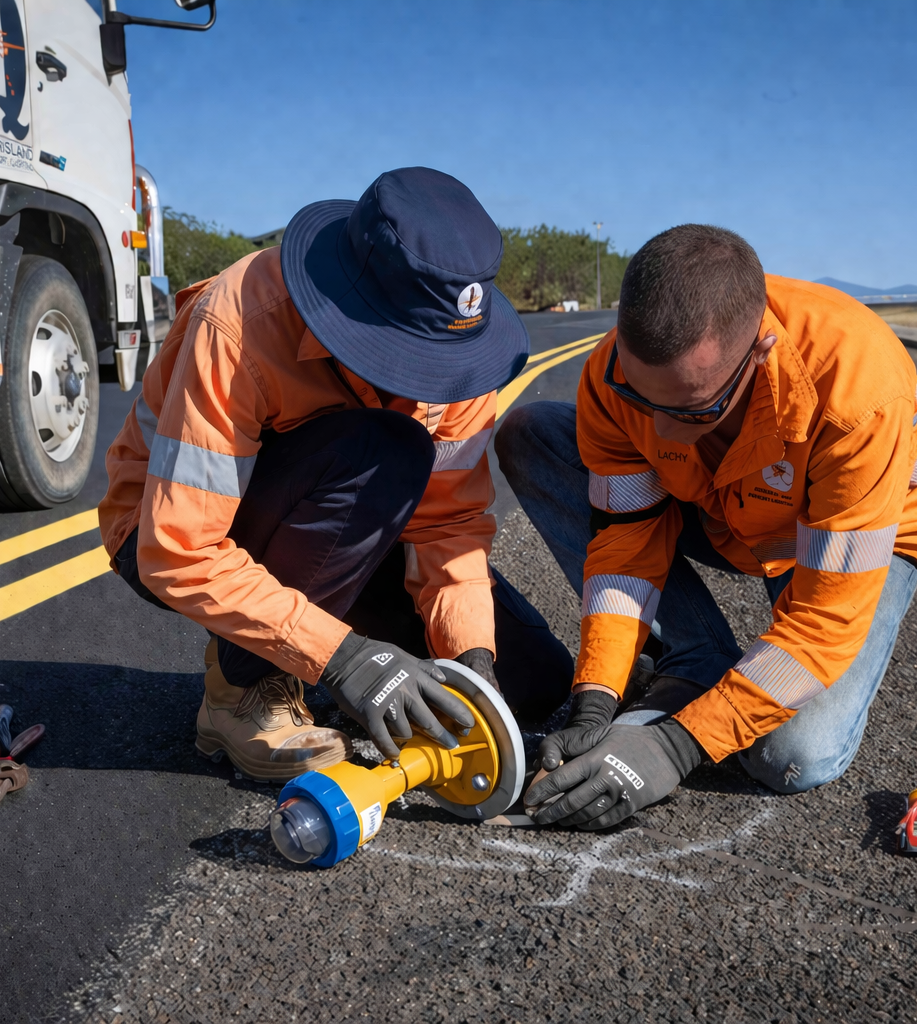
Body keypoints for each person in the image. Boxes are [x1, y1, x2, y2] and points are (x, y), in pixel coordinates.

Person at [99, 167, 573, 782]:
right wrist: (345, 659)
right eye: (411, 362)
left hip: (351, 520)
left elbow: (449, 526)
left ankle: (317, 638)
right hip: (166, 532)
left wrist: (472, 662)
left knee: (531, 684)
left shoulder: (461, 359)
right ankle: (241, 689)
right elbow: (178, 549)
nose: (430, 384)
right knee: (387, 448)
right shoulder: (242, 319)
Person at [499, 224, 917, 828]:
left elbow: (821, 624)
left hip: (847, 539)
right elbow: (627, 538)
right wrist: (596, 697)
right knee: (534, 431)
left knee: (791, 758)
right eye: (640, 398)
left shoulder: (858, 393)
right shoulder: (612, 375)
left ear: (760, 354)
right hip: (726, 512)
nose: (659, 433)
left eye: (690, 409)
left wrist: (677, 745)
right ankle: (696, 660)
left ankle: (709, 699)